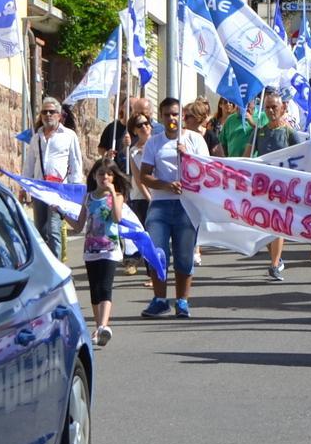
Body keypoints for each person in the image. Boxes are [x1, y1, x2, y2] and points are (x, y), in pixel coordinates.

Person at [139, 97, 209, 318]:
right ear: (161, 116)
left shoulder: (195, 140)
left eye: (175, 114)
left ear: (182, 117)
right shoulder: (154, 142)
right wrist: (165, 185)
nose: (172, 118)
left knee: (184, 255)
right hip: (160, 205)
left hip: (187, 206)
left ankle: (182, 301)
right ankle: (160, 300)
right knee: (157, 254)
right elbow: (144, 176)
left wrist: (187, 156)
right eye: (167, 114)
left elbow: (207, 173)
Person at [71, 160, 129, 347]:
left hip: (109, 249)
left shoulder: (117, 196)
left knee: (105, 287)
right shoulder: (88, 198)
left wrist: (112, 193)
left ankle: (104, 325)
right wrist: (61, 213)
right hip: (91, 249)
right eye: (101, 174)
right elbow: (79, 225)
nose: (105, 177)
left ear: (114, 177)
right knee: (95, 290)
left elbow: (117, 218)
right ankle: (99, 328)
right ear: (94, 176)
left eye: (109, 174)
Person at [251, 91, 306, 281]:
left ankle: (274, 265)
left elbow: (301, 158)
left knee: (277, 224)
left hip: (283, 188)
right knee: (262, 225)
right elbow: (248, 155)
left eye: (274, 107)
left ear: (282, 108)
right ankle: (277, 257)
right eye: (267, 107)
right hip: (262, 186)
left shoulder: (289, 132)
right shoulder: (260, 131)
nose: (271, 111)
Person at [23, 96, 84, 256]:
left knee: (53, 229)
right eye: (44, 112)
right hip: (39, 189)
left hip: (58, 189)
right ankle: (45, 265)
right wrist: (25, 186)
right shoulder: (36, 137)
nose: (48, 115)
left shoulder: (69, 135)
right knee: (41, 230)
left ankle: (56, 267)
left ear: (59, 115)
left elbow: (75, 162)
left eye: (52, 112)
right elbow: (29, 163)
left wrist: (75, 188)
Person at [123, 111, 154, 275]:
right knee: (146, 235)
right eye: (139, 125)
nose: (144, 127)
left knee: (157, 236)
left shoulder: (158, 144)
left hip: (160, 194)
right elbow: (138, 178)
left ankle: (157, 270)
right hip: (141, 198)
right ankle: (151, 272)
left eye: (146, 123)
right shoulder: (133, 151)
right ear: (134, 130)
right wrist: (149, 198)